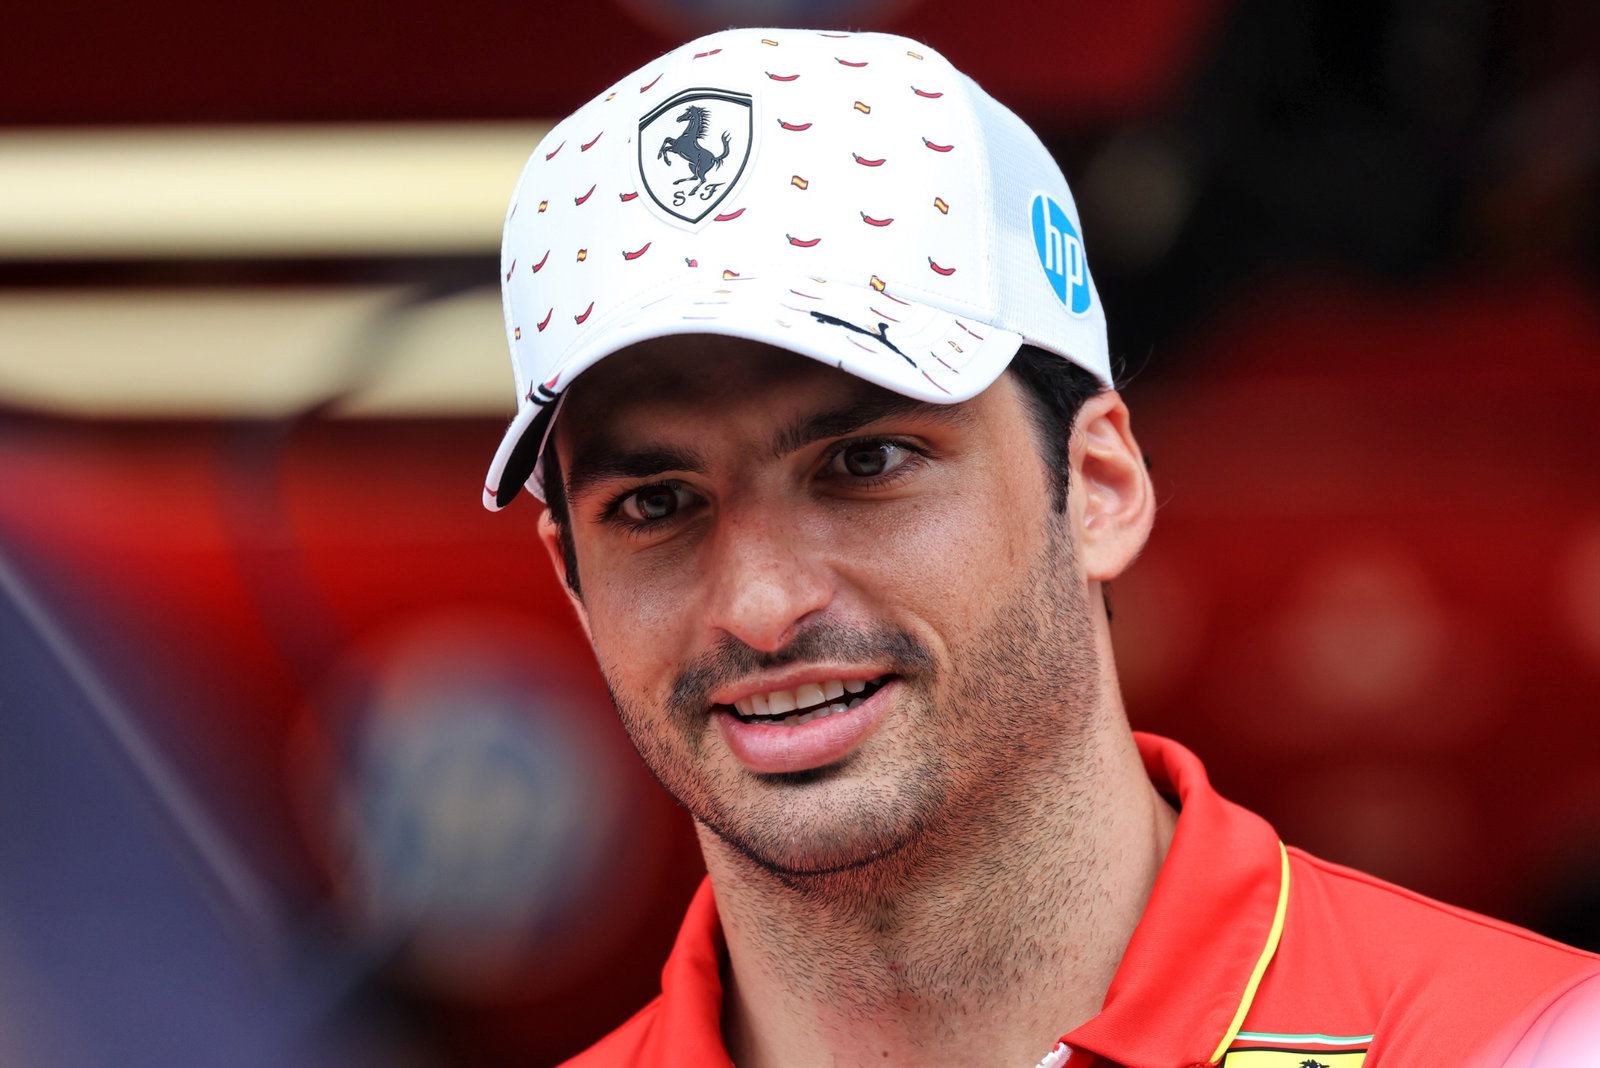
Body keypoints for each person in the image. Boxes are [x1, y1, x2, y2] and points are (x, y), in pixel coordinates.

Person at [480, 28, 1600, 1068]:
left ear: (1102, 486)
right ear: (571, 583)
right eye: (656, 503)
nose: (762, 604)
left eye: (864, 462)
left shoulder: (1529, 1044)